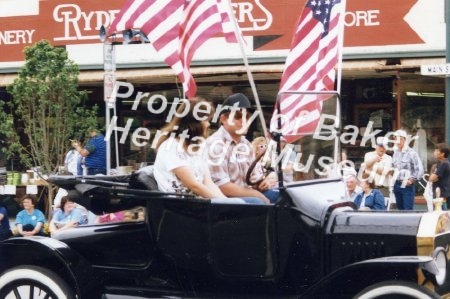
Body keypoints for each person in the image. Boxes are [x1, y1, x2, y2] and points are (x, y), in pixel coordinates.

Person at [153, 97, 233, 200]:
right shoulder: (170, 147)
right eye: (206, 120)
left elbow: (207, 182)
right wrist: (223, 204)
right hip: (179, 205)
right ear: (194, 122)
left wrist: (227, 202)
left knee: (248, 204)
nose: (208, 124)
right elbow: (193, 185)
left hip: (199, 202)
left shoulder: (199, 146)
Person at [206, 93, 278, 204]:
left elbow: (255, 176)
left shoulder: (246, 145)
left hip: (246, 194)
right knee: (257, 202)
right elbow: (222, 186)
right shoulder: (215, 144)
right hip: (223, 200)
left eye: (247, 117)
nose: (244, 121)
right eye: (238, 116)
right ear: (223, 119)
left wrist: (265, 180)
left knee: (283, 195)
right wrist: (256, 194)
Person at [392, 129, 424, 210]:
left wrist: (411, 180)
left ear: (405, 139)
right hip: (397, 184)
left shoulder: (412, 153)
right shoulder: (395, 152)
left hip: (407, 186)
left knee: (407, 210)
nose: (398, 141)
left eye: (400, 139)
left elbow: (420, 170)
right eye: (396, 139)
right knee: (400, 209)